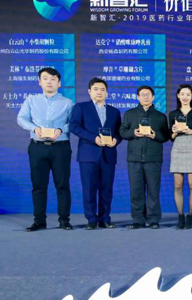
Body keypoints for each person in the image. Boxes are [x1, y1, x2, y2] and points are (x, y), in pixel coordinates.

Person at [16, 67, 74, 232]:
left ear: (59, 83)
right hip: (38, 147)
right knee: (38, 186)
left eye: (53, 79)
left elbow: (73, 123)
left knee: (62, 185)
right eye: (45, 78)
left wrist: (61, 130)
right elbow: (21, 118)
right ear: (39, 82)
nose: (49, 82)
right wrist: (34, 129)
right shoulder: (31, 100)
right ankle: (39, 221)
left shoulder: (68, 103)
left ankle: (64, 221)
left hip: (60, 148)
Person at [69, 78, 122, 230]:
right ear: (89, 91)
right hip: (88, 155)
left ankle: (105, 218)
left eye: (103, 90)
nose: (99, 92)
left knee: (107, 189)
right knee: (89, 189)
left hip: (108, 155)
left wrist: (116, 140)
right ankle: (91, 219)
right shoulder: (81, 107)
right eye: (96, 89)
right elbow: (74, 126)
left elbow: (119, 132)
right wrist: (93, 138)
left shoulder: (114, 111)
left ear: (107, 92)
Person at [119, 86, 170, 229]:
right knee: (136, 191)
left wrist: (155, 135)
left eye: (148, 94)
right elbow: (122, 132)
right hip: (134, 159)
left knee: (153, 191)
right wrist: (134, 133)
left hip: (153, 159)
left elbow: (166, 136)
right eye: (142, 94)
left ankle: (153, 219)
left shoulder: (160, 116)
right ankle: (138, 220)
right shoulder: (130, 114)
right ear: (138, 97)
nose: (145, 97)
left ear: (153, 97)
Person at [168, 84, 192, 229]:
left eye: (188, 94)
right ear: (178, 95)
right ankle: (180, 216)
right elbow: (170, 137)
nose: (185, 97)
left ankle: (190, 215)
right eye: (182, 94)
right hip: (177, 147)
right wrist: (175, 131)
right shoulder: (173, 114)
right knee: (178, 185)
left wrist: (191, 131)